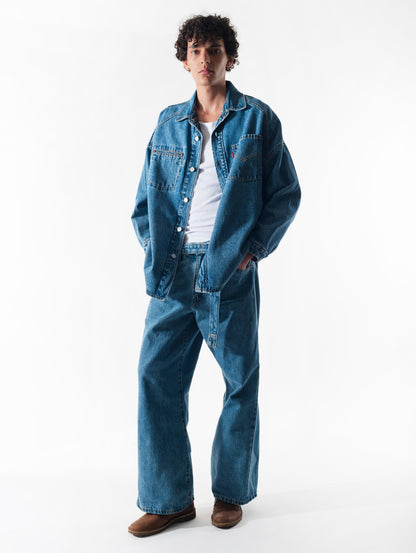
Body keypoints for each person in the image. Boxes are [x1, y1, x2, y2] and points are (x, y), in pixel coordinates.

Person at [128, 14, 301, 537]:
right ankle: (168, 500)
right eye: (197, 50)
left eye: (215, 49)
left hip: (227, 269)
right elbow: (144, 204)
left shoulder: (257, 119)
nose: (206, 59)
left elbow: (285, 194)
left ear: (230, 57)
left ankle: (230, 493)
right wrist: (155, 249)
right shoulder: (167, 123)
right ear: (185, 60)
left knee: (239, 380)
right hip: (172, 270)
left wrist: (250, 251)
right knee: (156, 378)